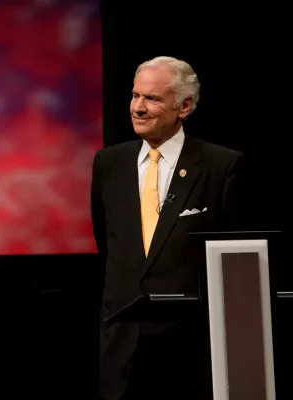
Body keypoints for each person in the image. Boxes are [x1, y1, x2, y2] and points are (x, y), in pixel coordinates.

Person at [91, 56, 249, 400]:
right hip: (120, 344)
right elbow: (108, 242)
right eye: (135, 96)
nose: (138, 108)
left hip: (186, 347)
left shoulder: (221, 166)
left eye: (152, 98)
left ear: (185, 106)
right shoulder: (108, 163)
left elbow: (236, 261)